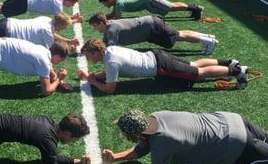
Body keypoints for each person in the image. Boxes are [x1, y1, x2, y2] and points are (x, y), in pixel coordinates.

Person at [102, 109, 268, 164]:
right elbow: (142, 149)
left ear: (132, 134)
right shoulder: (156, 117)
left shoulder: (161, 143)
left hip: (237, 144)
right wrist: (115, 157)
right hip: (231, 119)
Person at [78, 38, 248, 94]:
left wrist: (93, 82)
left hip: (161, 67)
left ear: (95, 52)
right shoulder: (111, 50)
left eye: (88, 55)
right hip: (157, 55)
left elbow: (110, 89)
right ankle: (228, 62)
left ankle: (236, 71)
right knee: (193, 64)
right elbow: (108, 72)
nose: (88, 59)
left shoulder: (111, 61)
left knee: (197, 73)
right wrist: (94, 76)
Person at [88, 12, 218, 54]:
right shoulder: (109, 25)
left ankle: (209, 42)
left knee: (178, 35)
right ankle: (207, 37)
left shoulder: (111, 30)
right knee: (179, 34)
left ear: (101, 24)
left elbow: (110, 50)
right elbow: (104, 43)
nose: (94, 29)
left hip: (152, 27)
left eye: (94, 26)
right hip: (151, 24)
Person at [98, 0, 204, 21]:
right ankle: (193, 7)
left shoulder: (119, 3)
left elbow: (117, 18)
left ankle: (196, 9)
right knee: (171, 6)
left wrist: (104, 22)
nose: (104, 4)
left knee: (171, 7)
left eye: (104, 2)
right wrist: (102, 18)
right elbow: (113, 14)